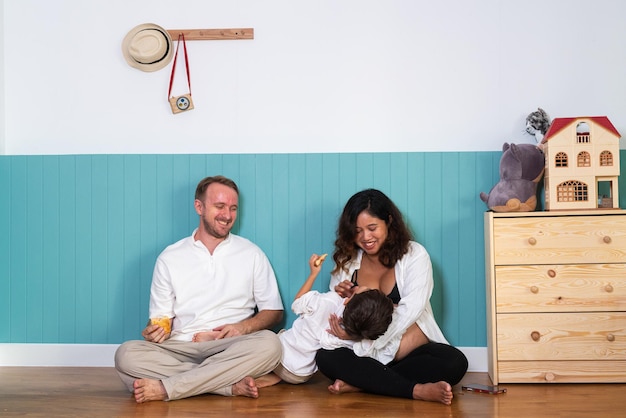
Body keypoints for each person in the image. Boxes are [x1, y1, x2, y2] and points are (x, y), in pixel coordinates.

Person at [114, 175, 284, 403]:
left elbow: (274, 312)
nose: (227, 215)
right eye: (220, 206)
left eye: (233, 208)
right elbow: (160, 319)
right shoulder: (170, 257)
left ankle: (166, 388)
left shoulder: (252, 253)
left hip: (229, 347)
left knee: (271, 345)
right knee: (125, 356)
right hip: (181, 347)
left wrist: (242, 328)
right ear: (199, 206)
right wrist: (152, 331)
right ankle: (226, 386)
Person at [315, 189, 468, 405]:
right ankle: (415, 390)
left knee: (454, 362)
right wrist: (347, 304)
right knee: (325, 357)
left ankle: (362, 382)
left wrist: (369, 344)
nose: (365, 238)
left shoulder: (415, 255)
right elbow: (336, 317)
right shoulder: (346, 261)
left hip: (404, 348)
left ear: (388, 221)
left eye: (372, 228)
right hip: (362, 346)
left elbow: (411, 310)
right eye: (357, 231)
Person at [200, 253, 394, 388]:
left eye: (362, 289)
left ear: (349, 299)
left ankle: (219, 346)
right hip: (300, 375)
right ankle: (270, 377)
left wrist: (313, 274)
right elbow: (359, 343)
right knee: (281, 354)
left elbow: (298, 303)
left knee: (262, 341)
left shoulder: (328, 302)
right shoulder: (351, 336)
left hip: (281, 356)